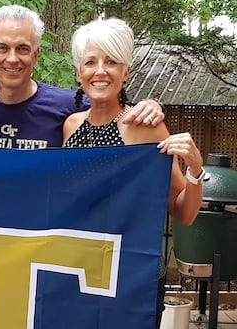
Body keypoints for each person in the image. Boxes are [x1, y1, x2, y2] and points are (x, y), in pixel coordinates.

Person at [62, 17, 203, 327]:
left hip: (131, 275)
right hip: (79, 268)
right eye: (90, 62)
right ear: (78, 72)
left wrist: (195, 169)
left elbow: (184, 211)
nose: (100, 70)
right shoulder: (71, 126)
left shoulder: (143, 127)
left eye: (111, 61)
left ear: (125, 72)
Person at [0, 5, 165, 149]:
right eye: (2, 48)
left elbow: (109, 103)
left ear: (35, 55)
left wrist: (152, 105)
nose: (12, 58)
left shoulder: (68, 107)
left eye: (22, 49)